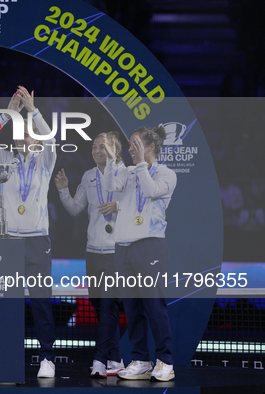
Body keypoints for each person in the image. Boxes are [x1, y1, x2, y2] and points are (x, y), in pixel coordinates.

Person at [0, 86, 57, 378]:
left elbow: (50, 138)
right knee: (7, 301)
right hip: (9, 240)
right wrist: (9, 110)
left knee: (40, 300)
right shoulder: (5, 160)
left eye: (29, 134)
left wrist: (33, 110)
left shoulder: (45, 161)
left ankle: (47, 358)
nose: (24, 138)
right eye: (20, 133)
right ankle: (5, 352)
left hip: (37, 240)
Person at [103, 126, 177, 382]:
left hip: (150, 245)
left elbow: (150, 191)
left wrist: (141, 164)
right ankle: (141, 359)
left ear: (150, 147)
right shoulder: (130, 171)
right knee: (132, 308)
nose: (131, 149)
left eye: (136, 144)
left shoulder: (167, 173)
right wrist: (113, 160)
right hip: (123, 247)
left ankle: (165, 360)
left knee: (154, 306)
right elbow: (110, 184)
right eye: (130, 145)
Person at [54, 131, 126, 378]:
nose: (96, 151)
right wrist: (64, 191)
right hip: (92, 252)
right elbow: (75, 209)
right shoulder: (88, 176)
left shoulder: (126, 174)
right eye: (94, 146)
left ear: (115, 150)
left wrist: (119, 206)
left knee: (108, 306)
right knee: (99, 307)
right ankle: (115, 359)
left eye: (102, 146)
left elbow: (139, 206)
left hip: (116, 253)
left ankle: (99, 360)